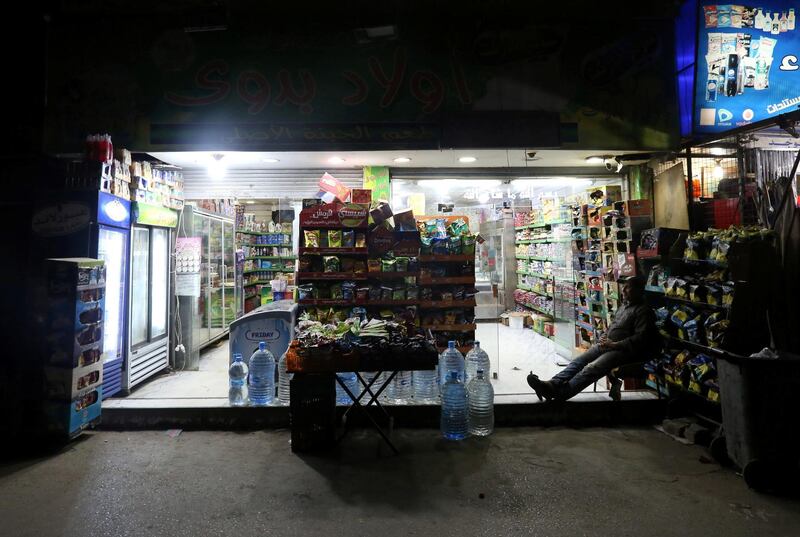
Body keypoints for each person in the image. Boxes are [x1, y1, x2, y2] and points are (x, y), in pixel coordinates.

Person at [527, 276, 660, 402]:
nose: (623, 290)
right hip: (609, 345)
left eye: (628, 287)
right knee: (579, 361)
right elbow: (613, 326)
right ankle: (552, 384)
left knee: (592, 368)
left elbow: (640, 339)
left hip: (625, 351)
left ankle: (561, 393)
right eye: (624, 287)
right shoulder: (624, 306)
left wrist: (615, 345)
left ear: (638, 290)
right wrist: (604, 336)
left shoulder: (644, 311)